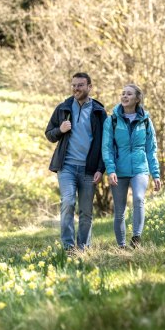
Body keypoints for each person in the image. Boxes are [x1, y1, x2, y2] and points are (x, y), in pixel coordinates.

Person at [45, 72, 108, 252]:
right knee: (68, 202)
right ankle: (68, 247)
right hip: (67, 167)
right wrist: (60, 130)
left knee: (86, 212)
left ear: (89, 87)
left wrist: (101, 169)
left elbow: (106, 143)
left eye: (80, 85)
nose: (76, 88)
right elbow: (49, 134)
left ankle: (83, 248)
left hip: (89, 169)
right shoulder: (63, 108)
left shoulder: (99, 112)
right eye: (74, 85)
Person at [102, 84, 161, 248]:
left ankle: (136, 238)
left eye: (129, 94)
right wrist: (111, 170)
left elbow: (151, 149)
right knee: (119, 210)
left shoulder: (146, 121)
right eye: (123, 94)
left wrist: (155, 174)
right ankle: (121, 245)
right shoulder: (112, 120)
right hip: (119, 170)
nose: (125, 96)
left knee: (139, 199)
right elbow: (106, 148)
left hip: (140, 169)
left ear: (137, 98)